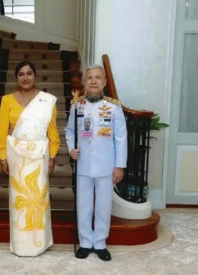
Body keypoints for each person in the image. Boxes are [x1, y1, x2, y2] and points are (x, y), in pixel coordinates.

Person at [0, 61, 60, 256]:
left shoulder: (47, 100)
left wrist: (52, 155)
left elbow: (52, 132)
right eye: (21, 74)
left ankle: (40, 243)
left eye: (29, 73)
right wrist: (2, 156)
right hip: (16, 157)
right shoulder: (7, 100)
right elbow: (1, 131)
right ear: (16, 77)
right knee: (19, 201)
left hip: (39, 157)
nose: (25, 77)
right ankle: (21, 244)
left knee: (38, 199)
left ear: (35, 76)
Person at [65, 64, 127, 261]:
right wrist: (71, 149)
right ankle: (85, 242)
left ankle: (100, 242)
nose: (93, 81)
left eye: (98, 78)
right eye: (89, 78)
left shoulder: (113, 106)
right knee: (84, 205)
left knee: (103, 206)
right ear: (84, 82)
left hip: (106, 164)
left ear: (105, 82)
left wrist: (119, 165)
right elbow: (70, 131)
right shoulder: (77, 104)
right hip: (83, 162)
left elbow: (121, 138)